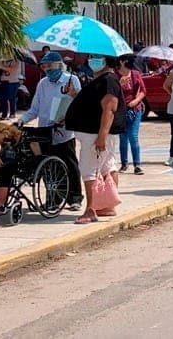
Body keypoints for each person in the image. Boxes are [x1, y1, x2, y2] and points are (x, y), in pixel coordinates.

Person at [17, 51, 84, 210]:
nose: (48, 69)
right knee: (48, 167)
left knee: (70, 165)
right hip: (45, 131)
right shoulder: (42, 84)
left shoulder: (71, 79)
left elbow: (80, 104)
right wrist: (21, 120)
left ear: (60, 65)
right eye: (44, 66)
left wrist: (72, 100)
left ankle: (75, 198)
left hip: (64, 131)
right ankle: (53, 199)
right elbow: (34, 109)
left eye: (50, 66)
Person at [65, 55, 126, 224]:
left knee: (88, 170)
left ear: (106, 60)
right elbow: (93, 104)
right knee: (107, 166)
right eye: (91, 57)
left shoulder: (108, 80)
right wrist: (74, 95)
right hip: (95, 133)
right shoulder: (102, 80)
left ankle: (91, 209)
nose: (92, 60)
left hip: (95, 134)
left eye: (96, 57)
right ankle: (107, 205)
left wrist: (101, 137)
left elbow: (109, 109)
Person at [115, 55, 146, 175]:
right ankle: (124, 163)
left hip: (135, 109)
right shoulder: (115, 75)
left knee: (133, 136)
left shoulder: (135, 74)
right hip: (121, 110)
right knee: (123, 138)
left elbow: (143, 90)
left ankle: (137, 165)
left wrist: (136, 101)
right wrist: (119, 84)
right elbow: (111, 92)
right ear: (122, 62)